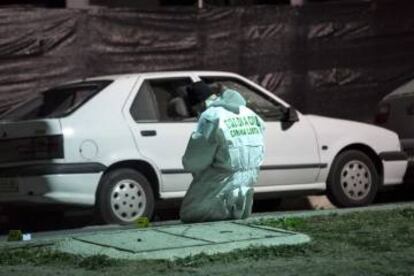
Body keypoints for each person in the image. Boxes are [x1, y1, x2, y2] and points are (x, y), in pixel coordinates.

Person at [180, 81, 265, 223]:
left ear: (199, 105)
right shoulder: (250, 114)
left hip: (219, 189)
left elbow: (193, 163)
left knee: (188, 214)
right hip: (244, 195)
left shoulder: (211, 117)